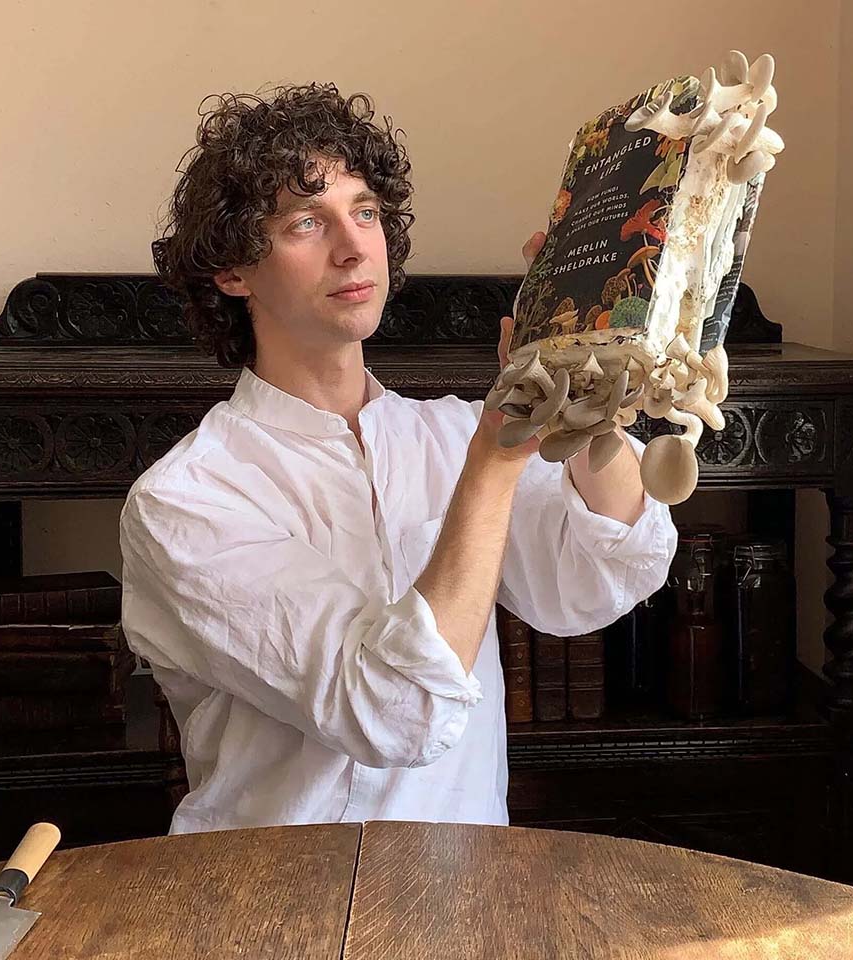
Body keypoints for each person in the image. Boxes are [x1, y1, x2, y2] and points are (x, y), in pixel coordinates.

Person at [120, 82, 677, 835]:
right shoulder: (186, 500)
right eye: (305, 222)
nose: (353, 247)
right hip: (276, 917)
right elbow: (392, 710)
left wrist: (586, 381)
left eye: (366, 212)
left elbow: (595, 578)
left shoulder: (448, 436)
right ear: (232, 271)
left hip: (464, 902)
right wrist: (499, 455)